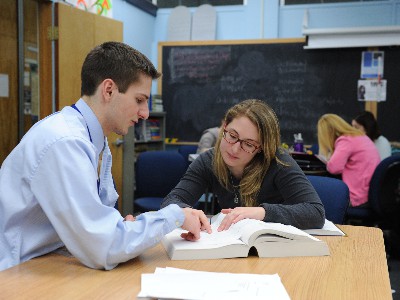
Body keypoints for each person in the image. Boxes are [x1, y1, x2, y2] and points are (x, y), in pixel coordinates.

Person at [0, 42, 211, 272]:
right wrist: (174, 216)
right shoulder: (66, 142)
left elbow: (104, 225)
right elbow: (103, 247)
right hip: (17, 274)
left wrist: (122, 230)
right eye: (139, 100)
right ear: (109, 90)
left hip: (52, 262)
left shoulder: (96, 141)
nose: (145, 113)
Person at [162, 99, 325, 231]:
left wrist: (261, 212)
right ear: (224, 127)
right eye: (232, 135)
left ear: (261, 148)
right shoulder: (208, 160)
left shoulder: (278, 162)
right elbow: (172, 201)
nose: (234, 148)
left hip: (276, 246)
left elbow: (316, 213)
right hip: (231, 243)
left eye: (248, 144)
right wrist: (185, 212)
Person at [317, 114, 381, 207]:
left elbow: (333, 168)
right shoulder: (360, 136)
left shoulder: (346, 140)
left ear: (328, 133)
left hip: (357, 197)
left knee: (319, 194)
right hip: (369, 193)